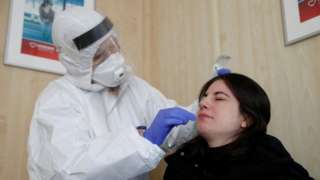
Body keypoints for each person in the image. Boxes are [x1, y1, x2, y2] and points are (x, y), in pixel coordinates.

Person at [27, 7, 198, 180]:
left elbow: (175, 129)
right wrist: (143, 142)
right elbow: (71, 170)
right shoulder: (58, 99)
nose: (114, 58)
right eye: (100, 55)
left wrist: (206, 103)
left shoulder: (134, 87)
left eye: (114, 46)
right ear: (75, 62)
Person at [164, 73, 314, 180]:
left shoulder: (268, 154)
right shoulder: (182, 160)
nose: (203, 103)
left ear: (246, 118)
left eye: (219, 98)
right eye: (204, 97)